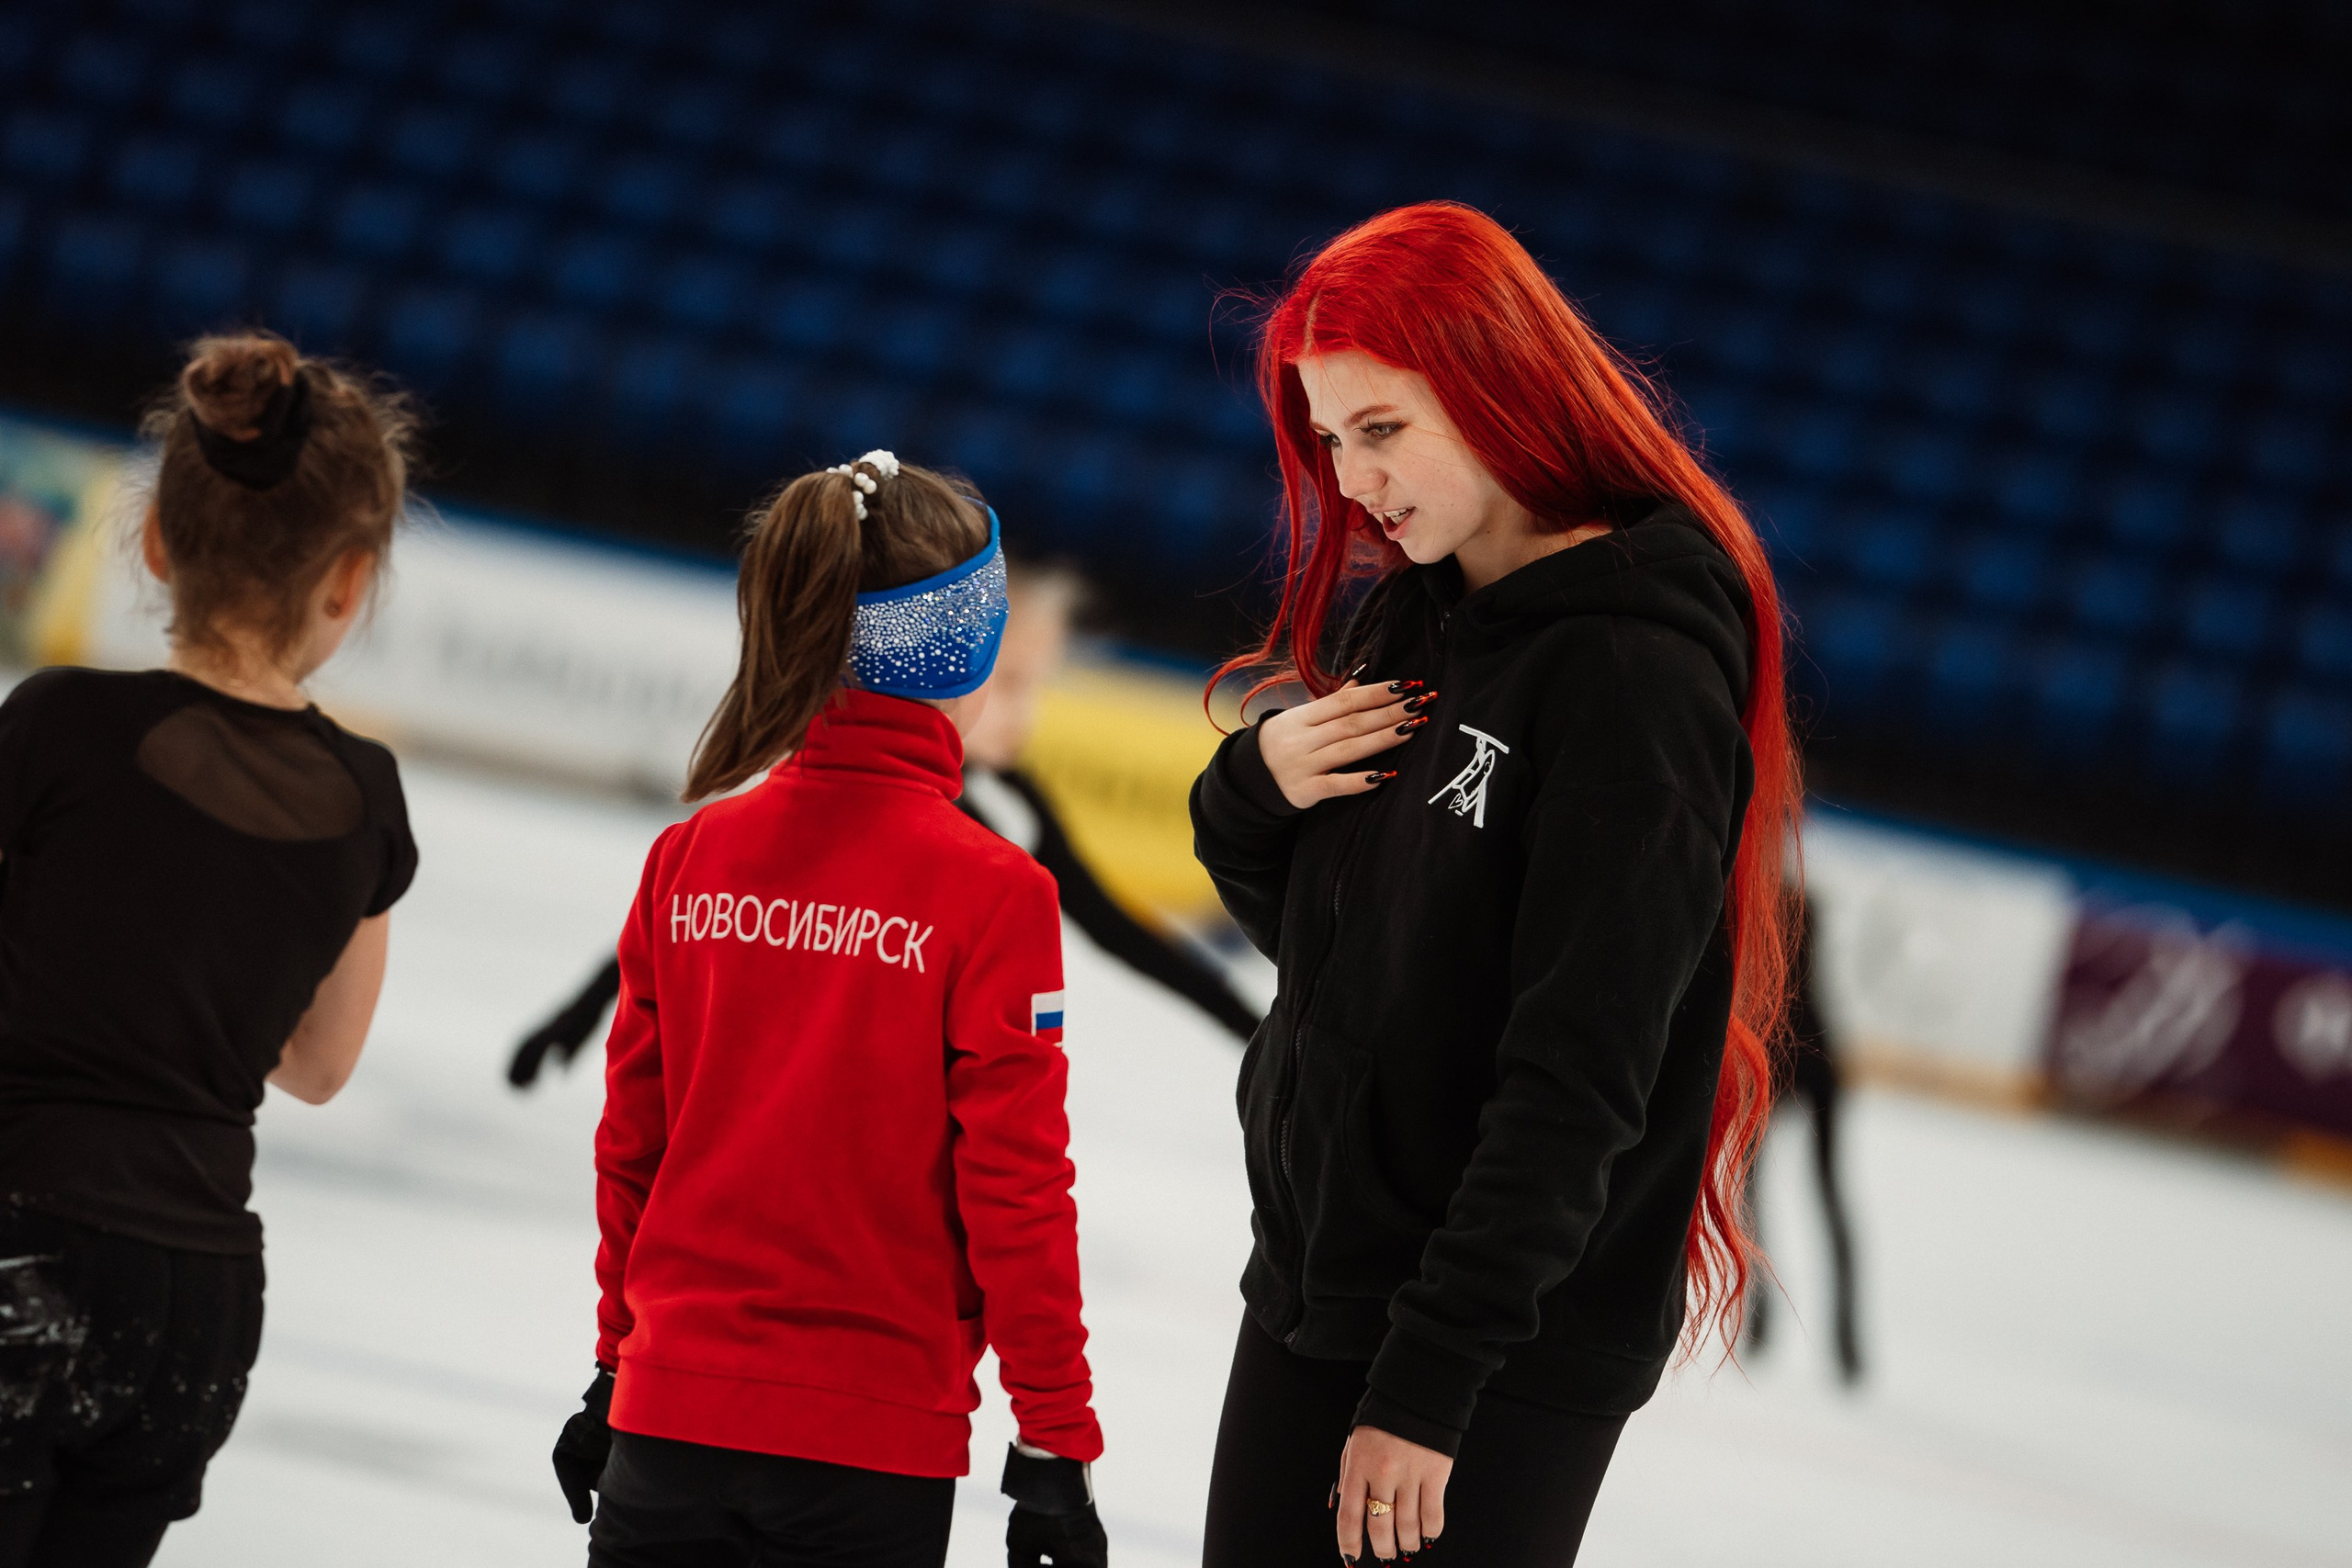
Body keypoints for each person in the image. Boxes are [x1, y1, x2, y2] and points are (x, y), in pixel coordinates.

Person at [1188, 203, 1799, 1568]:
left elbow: (1578, 1081)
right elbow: (1345, 959)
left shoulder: (1635, 674)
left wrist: (1427, 1386)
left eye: (1382, 427)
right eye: (1329, 439)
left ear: (1496, 382)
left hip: (1491, 1354)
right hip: (1321, 1288)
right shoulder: (1422, 602)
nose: (1352, 480)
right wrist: (1247, 791)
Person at [549, 452, 1107, 1568]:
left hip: (666, 1424)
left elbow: (631, 1150)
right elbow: (1016, 1189)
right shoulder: (996, 892)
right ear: (969, 648)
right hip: (870, 1454)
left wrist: (617, 1363)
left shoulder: (690, 856)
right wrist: (1053, 1438)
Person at [0, 332, 418, 1566]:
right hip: (195, 1299)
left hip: (25, 1230)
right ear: (349, 581)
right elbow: (321, 1063)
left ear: (154, 540)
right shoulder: (365, 793)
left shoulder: (58, 723)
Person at [507, 562, 1260, 1088]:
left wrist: (1252, 1024)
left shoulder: (1013, 800)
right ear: (953, 666)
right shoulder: (860, 786)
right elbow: (703, 895)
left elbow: (1115, 927)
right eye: (1012, 684)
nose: (1029, 715)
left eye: (1039, 687)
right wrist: (587, 1009)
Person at [1743, 894, 1862, 1383]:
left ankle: (1762, 1319)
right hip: (1807, 1053)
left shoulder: (1773, 903)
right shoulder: (1799, 905)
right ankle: (1844, 1341)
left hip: (1780, 1052)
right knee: (1824, 1197)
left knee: (1750, 1195)